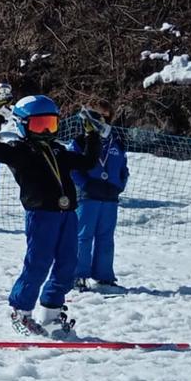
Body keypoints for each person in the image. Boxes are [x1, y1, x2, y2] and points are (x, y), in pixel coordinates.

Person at [0, 94, 100, 336]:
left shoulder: (58, 150)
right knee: (38, 262)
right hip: (41, 214)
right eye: (39, 125)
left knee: (68, 263)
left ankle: (50, 313)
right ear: (22, 125)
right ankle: (20, 311)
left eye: (50, 124)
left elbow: (88, 162)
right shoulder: (20, 150)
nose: (46, 131)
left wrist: (92, 134)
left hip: (67, 214)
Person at [71, 104, 128, 290]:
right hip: (88, 197)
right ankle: (78, 276)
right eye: (99, 116)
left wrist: (119, 185)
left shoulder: (116, 142)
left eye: (106, 117)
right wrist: (86, 185)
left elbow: (123, 167)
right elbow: (73, 168)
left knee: (106, 238)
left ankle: (104, 276)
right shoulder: (80, 142)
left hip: (110, 197)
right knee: (83, 237)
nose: (103, 120)